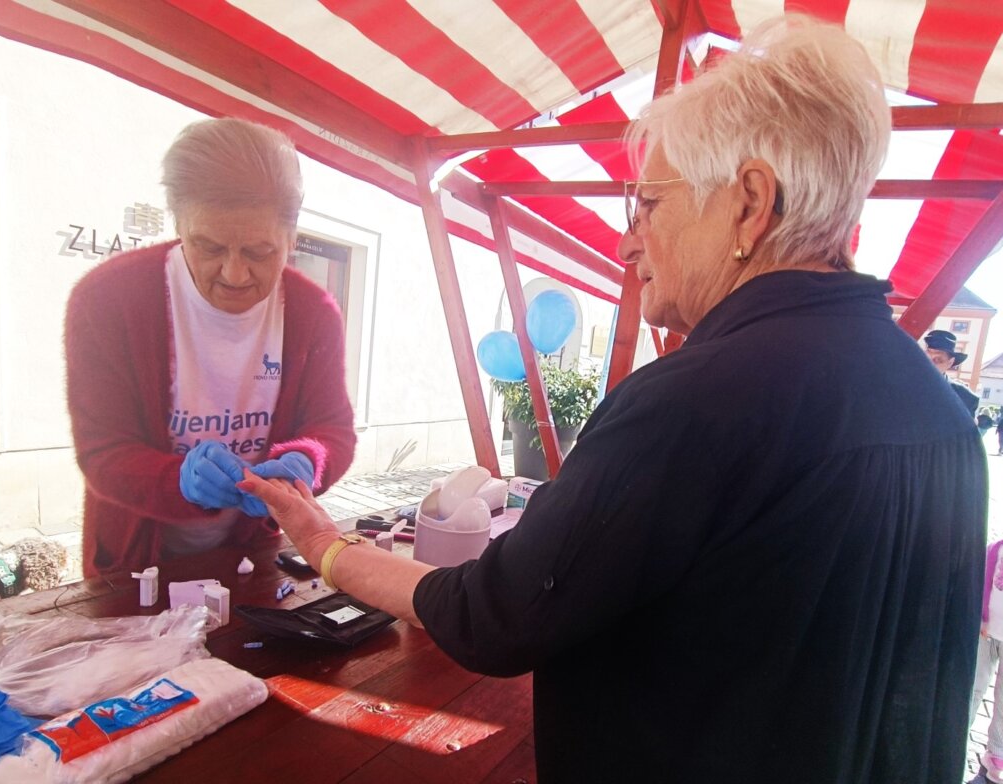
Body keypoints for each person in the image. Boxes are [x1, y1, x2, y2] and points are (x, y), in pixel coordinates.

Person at [240, 17, 986, 783]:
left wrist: (326, 545)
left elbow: (493, 617)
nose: (630, 242)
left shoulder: (700, 398)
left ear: (749, 203)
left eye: (649, 204)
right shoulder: (941, 410)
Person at [65, 117, 356, 577]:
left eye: (259, 252)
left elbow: (332, 429)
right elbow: (103, 452)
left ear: (292, 237)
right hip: (133, 561)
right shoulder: (106, 300)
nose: (234, 274)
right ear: (179, 224)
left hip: (248, 555)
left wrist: (308, 461)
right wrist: (177, 481)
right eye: (208, 246)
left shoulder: (314, 312)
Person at [970, 540, 1003, 784]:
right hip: (986, 633)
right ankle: (952, 743)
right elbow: (980, 584)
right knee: (972, 689)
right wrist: (980, 617)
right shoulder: (995, 549)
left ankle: (993, 768)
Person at [925, 329, 979, 417]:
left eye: (937, 360)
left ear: (950, 362)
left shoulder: (965, 397)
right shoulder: (903, 385)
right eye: (926, 359)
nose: (929, 364)